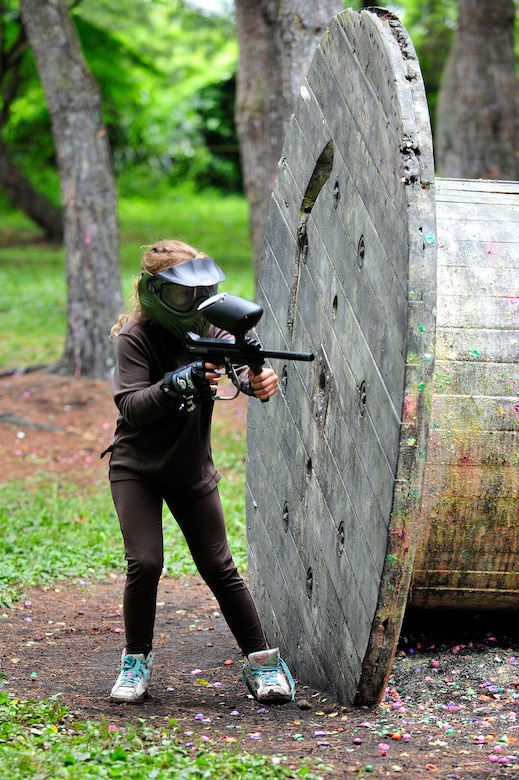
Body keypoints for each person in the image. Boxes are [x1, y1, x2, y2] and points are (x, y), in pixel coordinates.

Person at [104, 239, 295, 706]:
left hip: (190, 469)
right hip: (138, 470)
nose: (191, 305)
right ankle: (135, 663)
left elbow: (243, 365)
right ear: (155, 293)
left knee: (218, 566)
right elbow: (131, 407)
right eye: (181, 295)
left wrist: (258, 379)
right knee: (145, 562)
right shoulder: (136, 337)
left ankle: (264, 664)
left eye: (199, 293)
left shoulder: (211, 328)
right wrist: (177, 382)